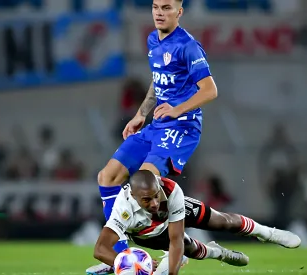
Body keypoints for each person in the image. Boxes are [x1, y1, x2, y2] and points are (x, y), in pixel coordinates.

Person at [89, 0, 218, 273]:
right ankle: (124, 258)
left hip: (181, 126)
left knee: (145, 184)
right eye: (156, 7)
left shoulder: (188, 46)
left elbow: (209, 90)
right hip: (157, 125)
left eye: (167, 7)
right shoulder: (152, 40)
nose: (159, 12)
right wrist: (140, 114)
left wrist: (176, 110)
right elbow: (158, 79)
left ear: (179, 12)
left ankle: (177, 249)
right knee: (107, 177)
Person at [92, 170, 302, 275]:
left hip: (173, 215)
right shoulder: (122, 208)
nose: (155, 202)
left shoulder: (171, 190)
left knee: (224, 221)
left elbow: (176, 241)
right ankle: (218, 253)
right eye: (147, 199)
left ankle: (268, 233)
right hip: (146, 232)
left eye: (156, 195)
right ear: (134, 197)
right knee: (191, 249)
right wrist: (127, 266)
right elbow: (101, 249)